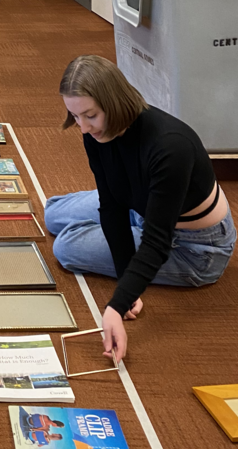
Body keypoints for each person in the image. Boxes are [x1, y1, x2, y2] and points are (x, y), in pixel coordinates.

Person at [45, 55, 235, 364]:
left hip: (195, 247)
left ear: (114, 102)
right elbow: (111, 205)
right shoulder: (96, 131)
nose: (82, 127)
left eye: (89, 115)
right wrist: (125, 277)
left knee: (66, 246)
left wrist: (116, 307)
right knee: (52, 213)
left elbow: (157, 241)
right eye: (75, 116)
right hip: (141, 205)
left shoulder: (171, 146)